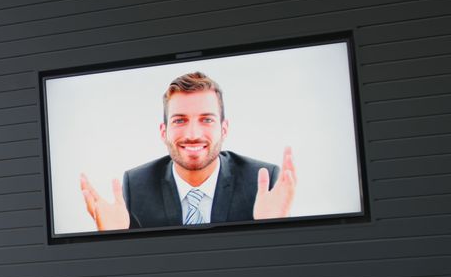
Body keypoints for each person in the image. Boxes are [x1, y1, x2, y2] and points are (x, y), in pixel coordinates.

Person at [79, 71, 298, 230]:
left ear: (224, 128)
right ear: (163, 131)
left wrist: (274, 229)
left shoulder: (262, 182)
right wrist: (113, 239)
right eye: (180, 120)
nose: (193, 133)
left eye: (206, 119)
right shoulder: (136, 186)